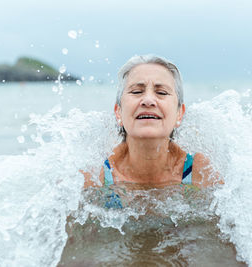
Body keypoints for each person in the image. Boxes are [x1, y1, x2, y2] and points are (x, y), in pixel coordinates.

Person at [82, 54, 220, 188]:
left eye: (161, 93)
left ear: (179, 114)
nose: (148, 101)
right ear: (118, 112)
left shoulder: (201, 172)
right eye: (136, 92)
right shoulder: (94, 176)